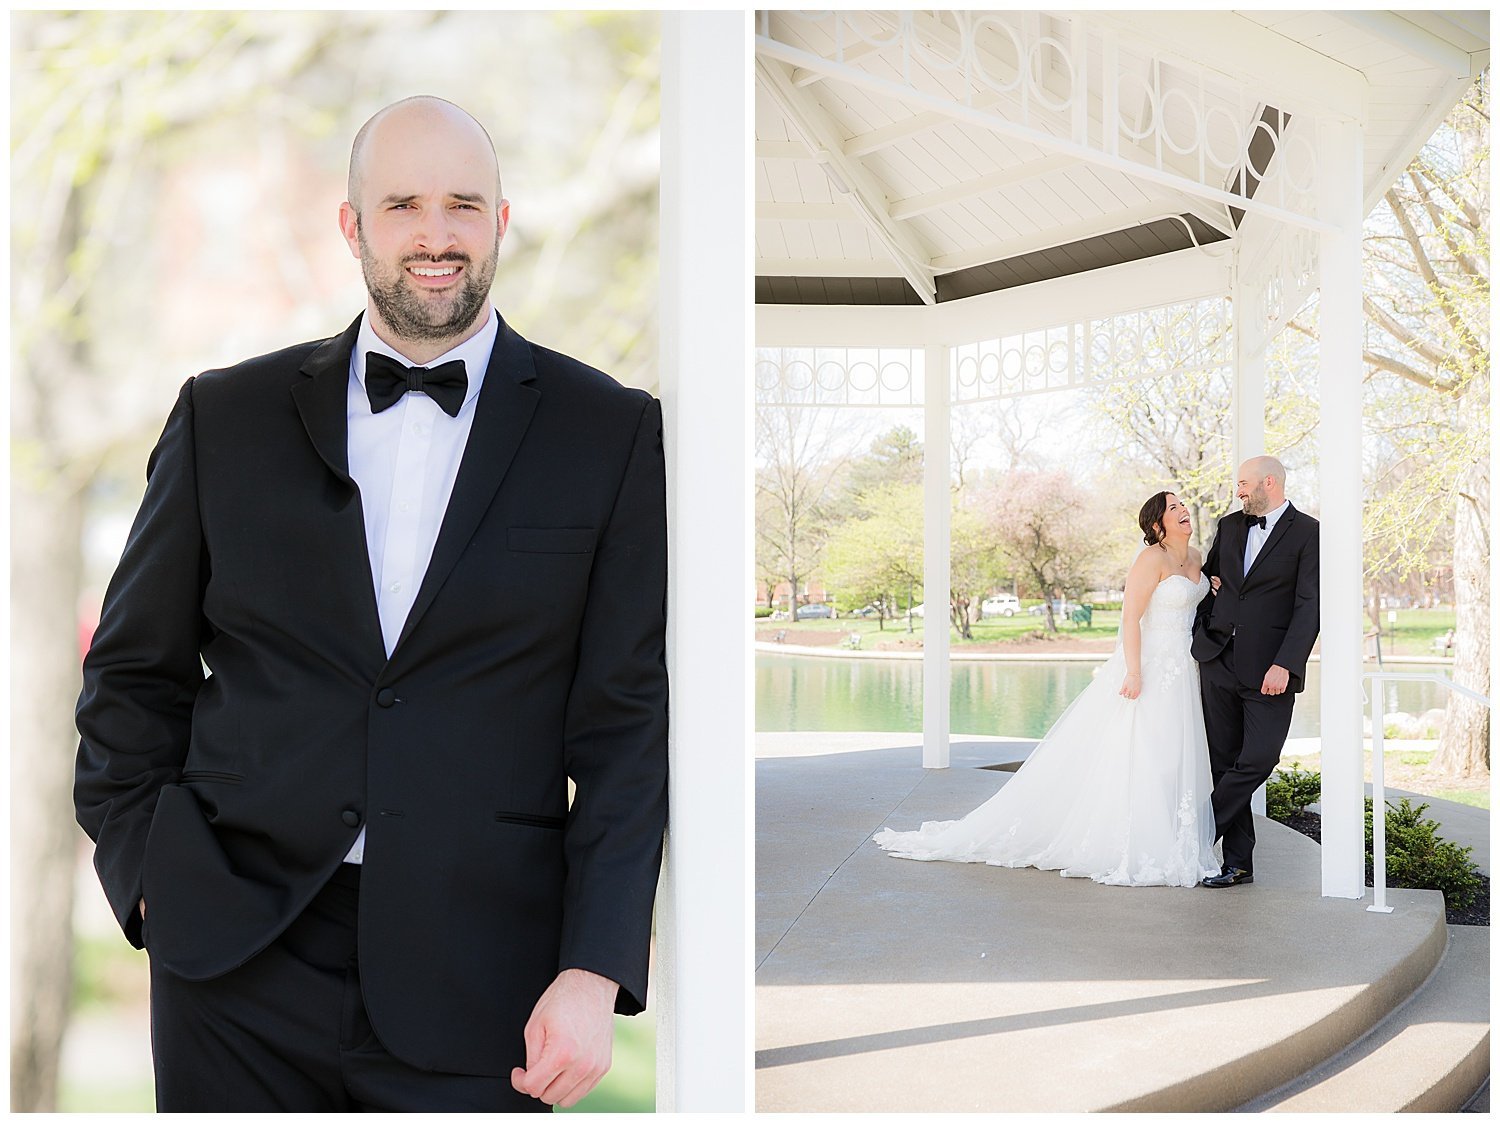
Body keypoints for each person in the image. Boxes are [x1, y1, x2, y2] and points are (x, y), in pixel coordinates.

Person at [73, 96, 668, 1111]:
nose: (435, 236)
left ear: (501, 221)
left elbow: (623, 725)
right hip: (233, 964)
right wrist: (147, 875)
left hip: (488, 981)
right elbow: (132, 675)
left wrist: (594, 966)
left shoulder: (607, 432)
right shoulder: (225, 416)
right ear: (353, 226)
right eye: (403, 205)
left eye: (463, 206)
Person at [874, 492, 1219, 888]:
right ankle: (1138, 841)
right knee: (1148, 751)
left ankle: (1175, 837)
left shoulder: (1195, 557)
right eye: (1173, 508)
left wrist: (1212, 586)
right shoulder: (1150, 560)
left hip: (1186, 668)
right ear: (1157, 525)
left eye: (1182, 506)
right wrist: (1135, 672)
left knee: (1177, 753)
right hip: (1152, 665)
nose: (1183, 512)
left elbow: (1196, 605)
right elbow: (1130, 618)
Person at [1192, 455, 1319, 888]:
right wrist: (1204, 623)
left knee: (1260, 757)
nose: (1239, 491)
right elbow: (1207, 580)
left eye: (1244, 483)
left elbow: (1309, 606)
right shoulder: (1229, 526)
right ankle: (1237, 863)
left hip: (1271, 669)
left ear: (1270, 482)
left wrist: (1286, 662)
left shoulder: (1309, 533)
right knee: (1223, 762)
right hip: (1218, 660)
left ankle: (1197, 832)